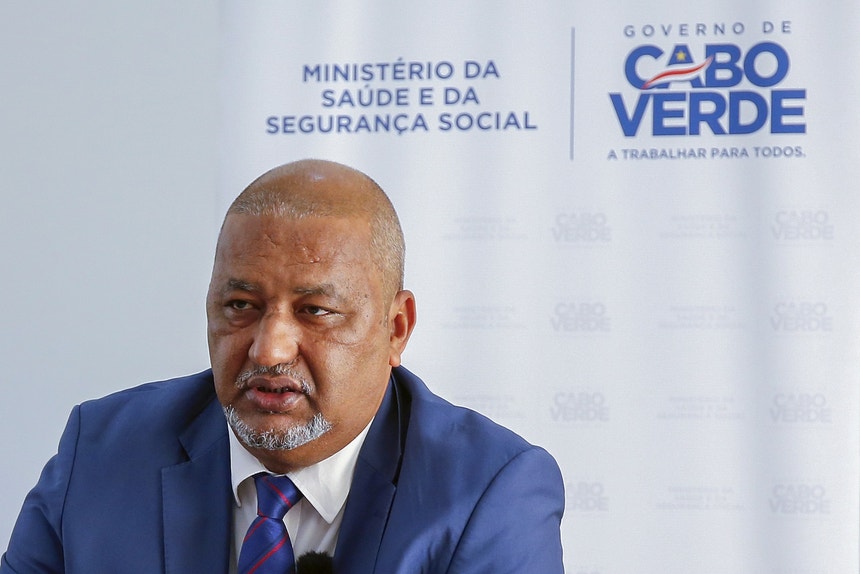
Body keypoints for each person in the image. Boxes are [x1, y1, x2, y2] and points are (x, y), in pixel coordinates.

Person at [1, 159, 565, 573]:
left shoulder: (489, 494)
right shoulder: (103, 452)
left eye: (315, 311)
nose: (269, 351)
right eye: (240, 306)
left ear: (396, 328)